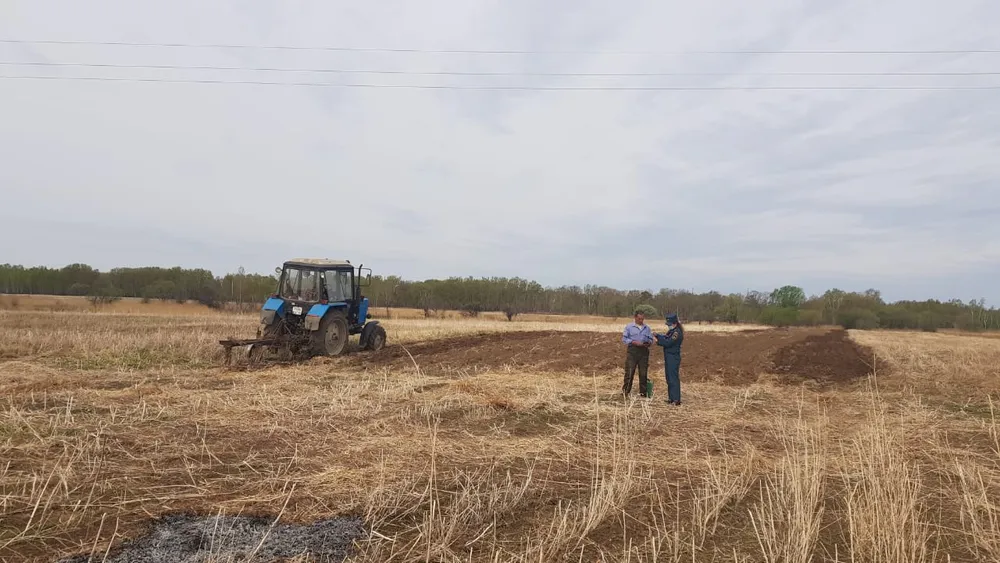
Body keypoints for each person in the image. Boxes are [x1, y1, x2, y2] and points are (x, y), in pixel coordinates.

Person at [621, 310, 654, 398]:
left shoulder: (647, 328)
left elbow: (651, 339)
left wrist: (649, 342)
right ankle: (626, 392)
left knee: (643, 373)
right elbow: (624, 339)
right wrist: (633, 342)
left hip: (644, 352)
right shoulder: (629, 327)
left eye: (642, 319)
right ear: (635, 318)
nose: (641, 321)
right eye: (639, 319)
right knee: (630, 372)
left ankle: (643, 393)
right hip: (633, 351)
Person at [654, 313, 684, 405]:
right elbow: (665, 337)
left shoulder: (676, 332)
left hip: (673, 357)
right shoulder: (671, 331)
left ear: (674, 323)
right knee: (669, 378)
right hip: (668, 356)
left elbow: (668, 342)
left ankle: (676, 399)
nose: (668, 326)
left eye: (669, 324)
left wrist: (657, 341)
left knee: (673, 378)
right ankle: (671, 398)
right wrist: (658, 335)